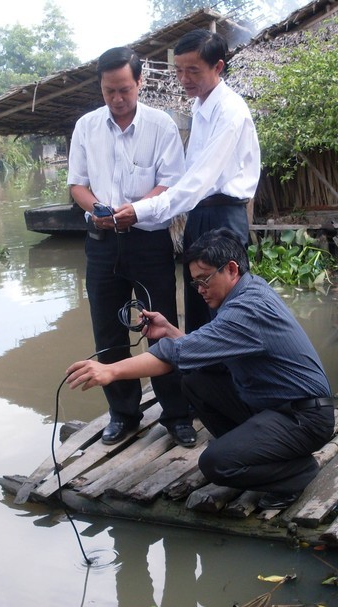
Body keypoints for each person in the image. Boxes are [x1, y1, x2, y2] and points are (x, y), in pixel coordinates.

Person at [66, 228, 335, 509]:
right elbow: (197, 350)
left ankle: (297, 473)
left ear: (231, 269)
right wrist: (170, 330)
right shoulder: (249, 288)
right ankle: (252, 453)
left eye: (204, 280)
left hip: (303, 419)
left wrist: (110, 371)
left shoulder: (247, 309)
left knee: (215, 464)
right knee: (196, 379)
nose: (201, 289)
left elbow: (173, 354)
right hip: (275, 406)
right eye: (195, 283)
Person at [67, 46, 196, 447]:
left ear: (139, 83)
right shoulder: (86, 127)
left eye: (125, 89)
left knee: (160, 325)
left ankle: (177, 414)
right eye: (110, 92)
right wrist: (97, 210)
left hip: (147, 239)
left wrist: (136, 210)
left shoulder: (161, 126)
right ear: (101, 88)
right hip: (102, 242)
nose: (118, 99)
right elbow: (77, 185)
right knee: (108, 328)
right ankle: (124, 414)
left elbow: (172, 181)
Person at [114, 29, 261, 333]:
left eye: (193, 70)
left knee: (224, 312)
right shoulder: (201, 106)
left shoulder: (229, 112)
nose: (184, 78)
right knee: (198, 305)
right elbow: (186, 177)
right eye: (179, 70)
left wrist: (141, 210)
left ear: (217, 67)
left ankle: (226, 378)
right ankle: (199, 375)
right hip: (200, 215)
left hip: (222, 218)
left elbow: (196, 183)